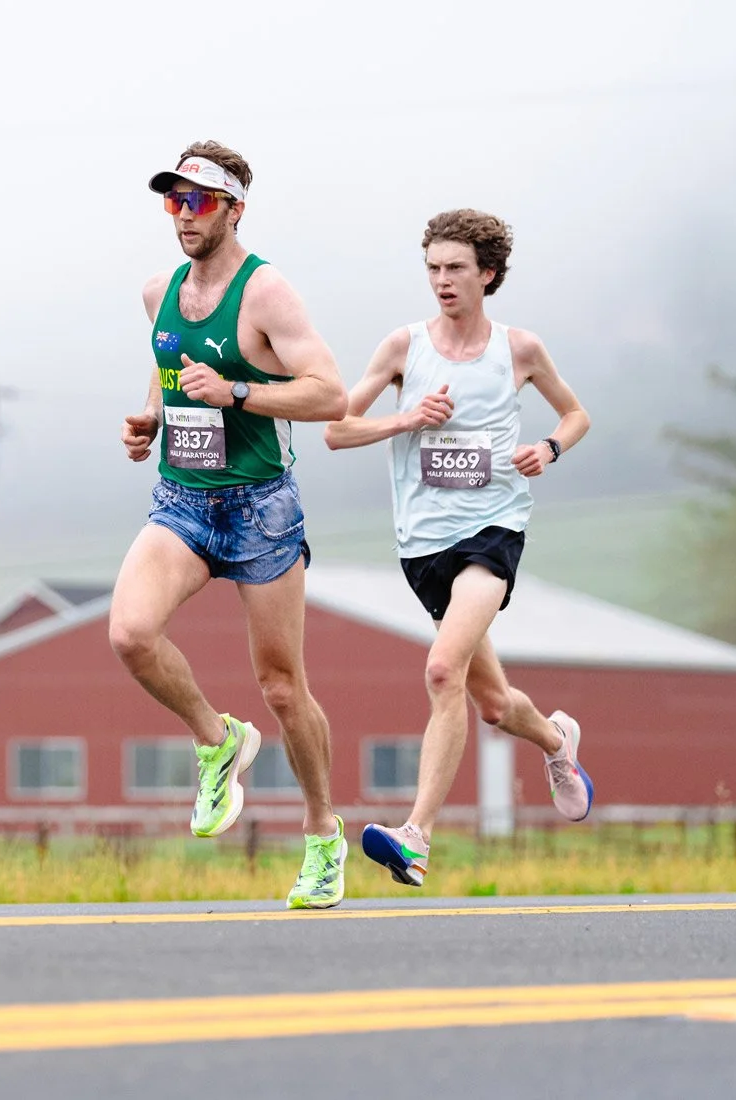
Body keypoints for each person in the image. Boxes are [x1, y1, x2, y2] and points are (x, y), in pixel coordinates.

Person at [322, 208, 594, 887]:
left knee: (443, 670)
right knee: (496, 704)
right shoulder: (401, 348)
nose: (442, 281)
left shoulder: (519, 350)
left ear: (488, 275)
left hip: (493, 530)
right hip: (424, 546)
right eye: (433, 269)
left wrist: (548, 448)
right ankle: (559, 741)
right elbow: (336, 431)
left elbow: (576, 413)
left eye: (455, 269)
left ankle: (415, 836)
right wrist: (408, 416)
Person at [112, 141, 351, 909]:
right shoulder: (159, 291)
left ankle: (322, 837)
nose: (183, 214)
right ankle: (217, 740)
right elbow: (168, 357)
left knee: (283, 689)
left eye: (199, 201)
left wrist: (240, 394)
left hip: (259, 507)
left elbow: (330, 396)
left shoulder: (266, 294)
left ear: (234, 209)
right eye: (173, 199)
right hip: (181, 498)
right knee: (129, 634)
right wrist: (153, 413)